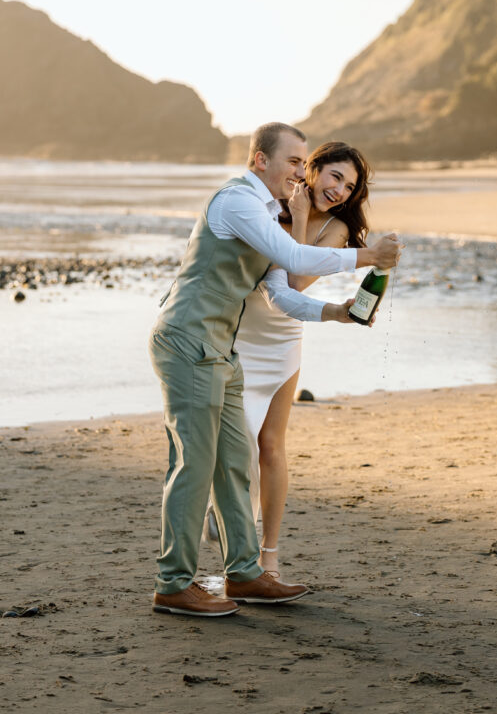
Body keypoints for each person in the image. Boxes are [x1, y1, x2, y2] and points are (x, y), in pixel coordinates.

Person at [149, 122, 401, 617]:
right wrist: (369, 256)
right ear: (260, 160)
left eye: (301, 162)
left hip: (224, 345)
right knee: (194, 465)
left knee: (235, 462)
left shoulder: (267, 208)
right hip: (190, 339)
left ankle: (243, 573)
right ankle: (173, 583)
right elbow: (290, 255)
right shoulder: (238, 201)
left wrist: (336, 312)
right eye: (293, 162)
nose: (299, 172)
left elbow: (281, 290)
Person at [232, 141, 372, 575]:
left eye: (349, 187)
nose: (340, 191)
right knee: (235, 448)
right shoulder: (269, 203)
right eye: (335, 177)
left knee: (270, 446)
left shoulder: (335, 229)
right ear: (313, 168)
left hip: (282, 337)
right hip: (240, 334)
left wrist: (303, 217)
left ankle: (268, 558)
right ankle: (232, 546)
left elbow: (294, 280)